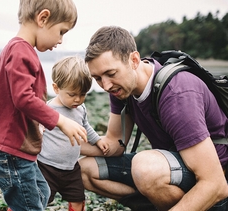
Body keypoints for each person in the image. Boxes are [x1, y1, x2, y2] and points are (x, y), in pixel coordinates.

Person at [79, 26, 228, 211]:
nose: (106, 85)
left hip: (212, 185)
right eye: (98, 78)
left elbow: (216, 184)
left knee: (146, 168)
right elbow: (114, 144)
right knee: (84, 170)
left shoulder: (177, 93)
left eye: (111, 74)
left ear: (134, 60)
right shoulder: (119, 89)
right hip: (173, 170)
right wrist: (62, 144)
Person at [0, 1, 88, 211]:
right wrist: (60, 121)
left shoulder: (17, 49)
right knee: (30, 206)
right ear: (43, 18)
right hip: (8, 151)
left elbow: (17, 101)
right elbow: (23, 98)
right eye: (61, 31)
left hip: (13, 150)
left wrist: (36, 122)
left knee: (41, 192)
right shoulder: (22, 51)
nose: (60, 40)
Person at [37, 56, 109, 211]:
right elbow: (36, 127)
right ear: (56, 88)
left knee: (78, 200)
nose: (78, 99)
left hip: (71, 168)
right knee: (40, 199)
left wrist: (97, 140)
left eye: (83, 94)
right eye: (72, 94)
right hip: (46, 167)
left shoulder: (80, 109)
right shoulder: (48, 109)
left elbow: (86, 127)